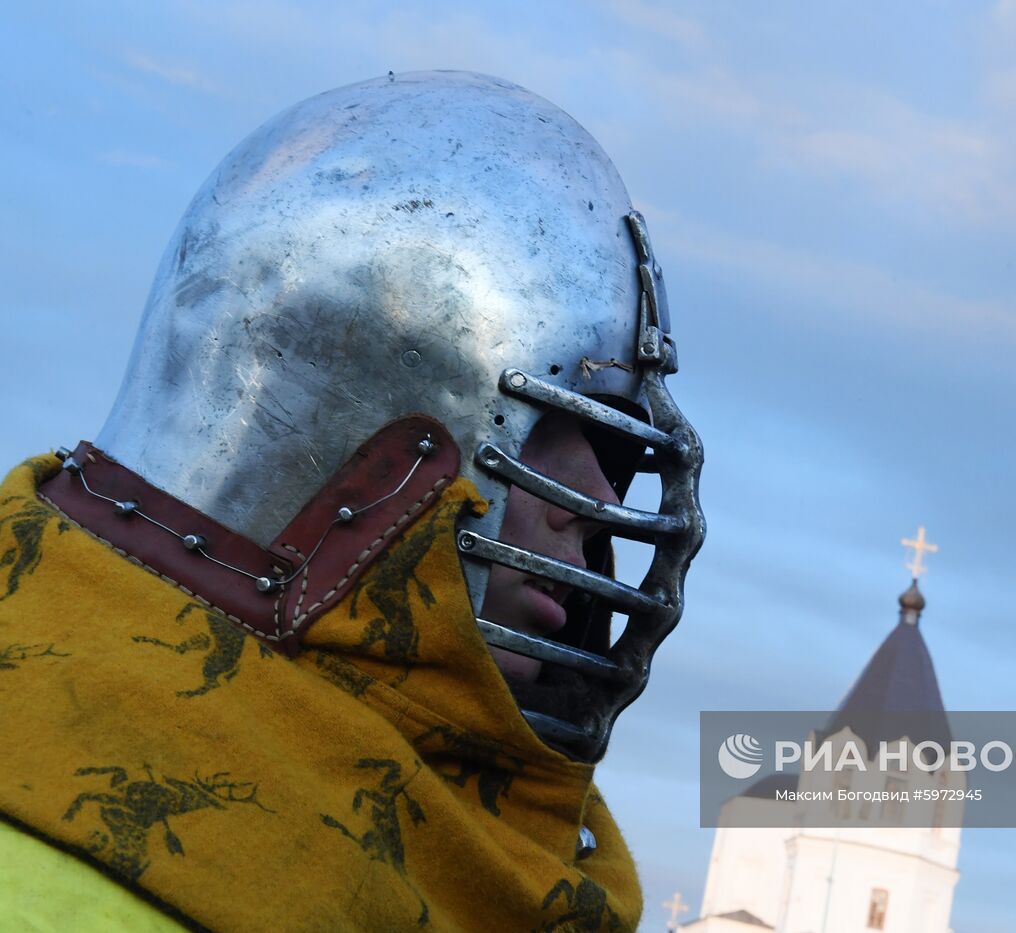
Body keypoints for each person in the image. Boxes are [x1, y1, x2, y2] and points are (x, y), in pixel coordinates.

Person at [0, 71, 704, 931]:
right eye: (553, 428)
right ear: (360, 427)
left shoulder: (490, 850)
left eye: (615, 453)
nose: (596, 501)